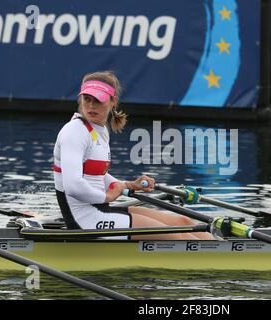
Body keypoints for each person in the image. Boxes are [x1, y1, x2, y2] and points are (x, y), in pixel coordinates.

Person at [53, 71, 213, 240]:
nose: (91, 106)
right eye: (87, 99)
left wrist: (128, 184)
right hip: (85, 222)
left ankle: (227, 250)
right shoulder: (74, 132)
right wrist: (108, 196)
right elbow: (73, 185)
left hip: (101, 210)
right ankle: (221, 257)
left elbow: (96, 174)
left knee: (184, 222)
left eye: (98, 100)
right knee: (180, 238)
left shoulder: (99, 131)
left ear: (112, 102)